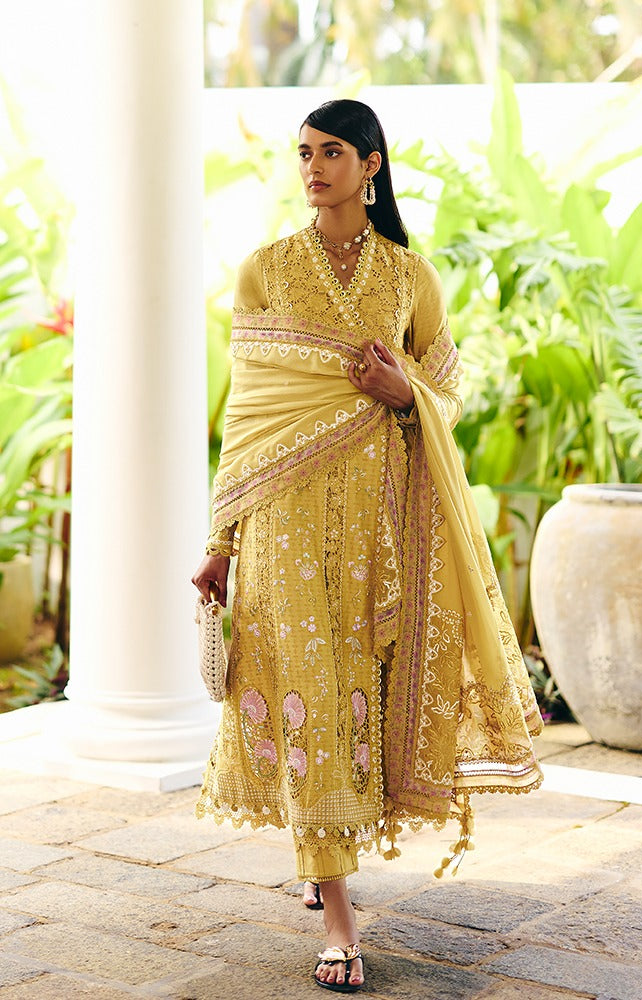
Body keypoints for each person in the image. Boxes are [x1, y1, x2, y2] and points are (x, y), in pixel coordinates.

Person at [192, 98, 543, 993]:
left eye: (331, 152)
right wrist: (221, 539)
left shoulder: (408, 278)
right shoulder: (265, 270)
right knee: (309, 691)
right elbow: (247, 415)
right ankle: (341, 924)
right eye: (303, 153)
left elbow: (446, 394)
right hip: (283, 524)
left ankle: (325, 858)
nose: (312, 168)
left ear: (370, 165)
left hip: (379, 532)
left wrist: (404, 393)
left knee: (360, 696)